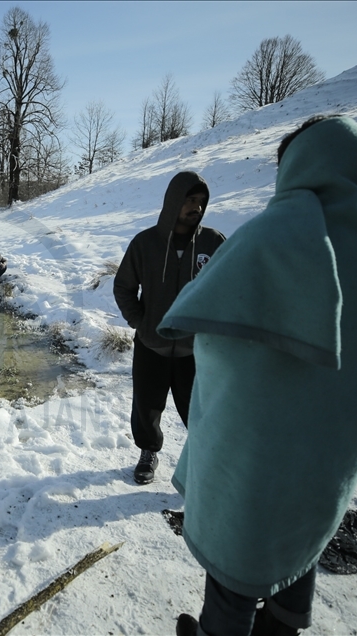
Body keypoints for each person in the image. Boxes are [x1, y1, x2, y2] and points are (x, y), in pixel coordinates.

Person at [158, 116, 357, 636]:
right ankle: (285, 627)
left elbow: (205, 323)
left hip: (262, 451)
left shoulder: (282, 232)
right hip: (332, 452)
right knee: (301, 535)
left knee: (241, 553)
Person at [112, 171, 226, 484]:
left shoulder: (213, 242)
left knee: (199, 408)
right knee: (147, 405)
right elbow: (123, 287)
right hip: (152, 344)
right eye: (190, 200)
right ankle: (148, 452)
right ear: (173, 201)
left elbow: (227, 290)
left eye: (201, 202)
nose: (196, 207)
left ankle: (204, 459)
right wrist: (141, 323)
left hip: (195, 349)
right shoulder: (145, 243)